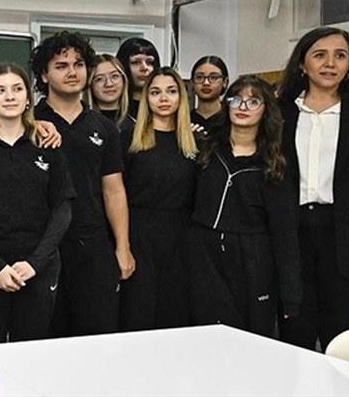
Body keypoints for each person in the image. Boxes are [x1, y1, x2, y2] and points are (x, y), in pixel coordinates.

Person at [276, 27, 349, 352]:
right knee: (294, 331)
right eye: (320, 55)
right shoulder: (279, 111)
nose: (330, 63)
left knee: (340, 334)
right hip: (291, 234)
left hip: (345, 236)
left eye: (340, 56)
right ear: (302, 64)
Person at [0, 62, 74, 344]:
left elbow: (63, 208)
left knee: (30, 356)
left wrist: (35, 263)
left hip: (37, 266)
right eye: (0, 90)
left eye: (17, 89)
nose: (9, 97)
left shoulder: (48, 143)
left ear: (28, 98)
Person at [31, 31, 132, 337]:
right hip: (43, 245)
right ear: (44, 75)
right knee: (45, 338)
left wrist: (123, 248)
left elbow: (113, 190)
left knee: (98, 336)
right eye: (61, 65)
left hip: (93, 245)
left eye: (78, 64)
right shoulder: (29, 123)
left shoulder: (103, 127)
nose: (72, 72)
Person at [187, 76, 300, 337]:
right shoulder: (206, 149)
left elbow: (285, 231)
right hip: (204, 252)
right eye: (236, 99)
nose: (243, 107)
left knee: (250, 335)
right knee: (205, 333)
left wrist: (290, 294)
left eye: (253, 101)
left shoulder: (273, 162)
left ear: (266, 109)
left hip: (253, 257)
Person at [118, 67, 197, 331]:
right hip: (139, 236)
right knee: (138, 316)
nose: (163, 98)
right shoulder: (128, 138)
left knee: (174, 316)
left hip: (181, 239)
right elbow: (115, 193)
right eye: (155, 92)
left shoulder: (195, 141)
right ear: (145, 98)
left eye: (171, 91)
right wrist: (123, 246)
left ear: (181, 97)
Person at [116, 37, 161, 126]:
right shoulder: (113, 106)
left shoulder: (164, 105)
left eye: (149, 62)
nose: (144, 68)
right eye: (136, 62)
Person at [87, 53, 129, 127]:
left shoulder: (137, 123)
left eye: (114, 76)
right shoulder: (84, 123)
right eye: (99, 79)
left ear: (124, 80)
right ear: (90, 85)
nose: (109, 84)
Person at [190, 56, 229, 130]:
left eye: (213, 77)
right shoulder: (184, 121)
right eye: (199, 77)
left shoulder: (231, 120)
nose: (206, 83)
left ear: (225, 82)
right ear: (192, 82)